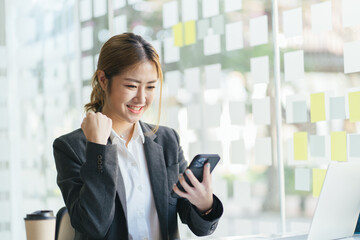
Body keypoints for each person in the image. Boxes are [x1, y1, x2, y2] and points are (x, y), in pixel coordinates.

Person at [53, 33, 223, 240]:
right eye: (131, 86)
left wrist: (205, 204)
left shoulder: (167, 140)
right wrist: (98, 148)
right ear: (103, 80)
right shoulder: (72, 147)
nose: (141, 98)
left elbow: (199, 227)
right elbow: (93, 225)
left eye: (150, 87)